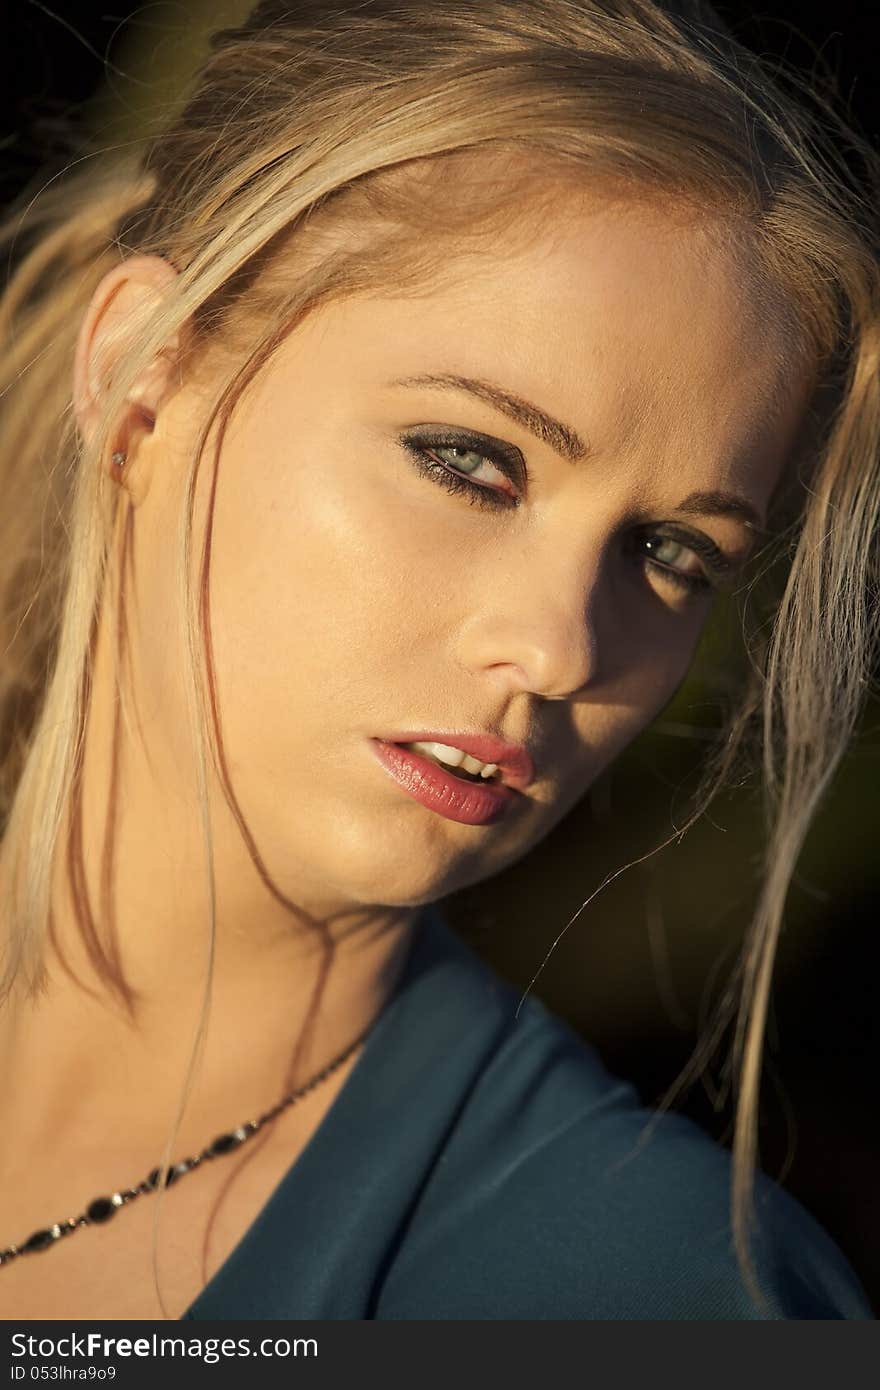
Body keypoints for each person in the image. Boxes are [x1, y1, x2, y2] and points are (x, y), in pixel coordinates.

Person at [0, 0, 876, 1321]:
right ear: (141, 374)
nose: (560, 646)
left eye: (671, 555)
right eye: (471, 462)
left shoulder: (661, 1293)